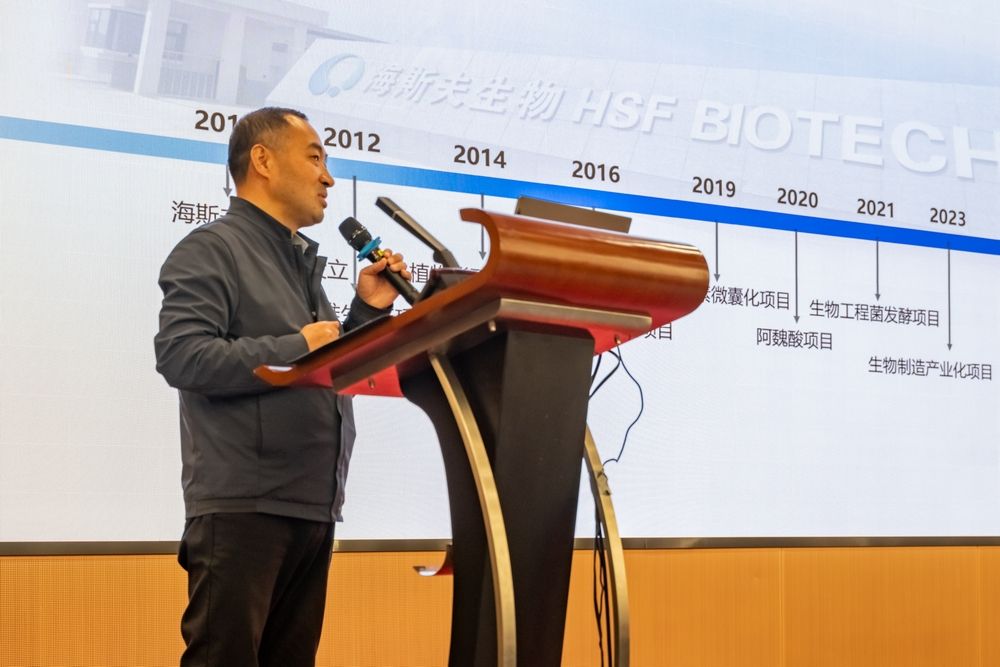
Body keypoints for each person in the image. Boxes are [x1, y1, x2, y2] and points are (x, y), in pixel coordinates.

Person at [154, 107, 410, 667]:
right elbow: (180, 356)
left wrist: (366, 313)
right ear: (263, 161)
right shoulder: (213, 248)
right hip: (244, 507)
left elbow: (326, 366)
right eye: (315, 158)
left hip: (312, 505)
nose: (329, 178)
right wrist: (295, 345)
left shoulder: (298, 262)